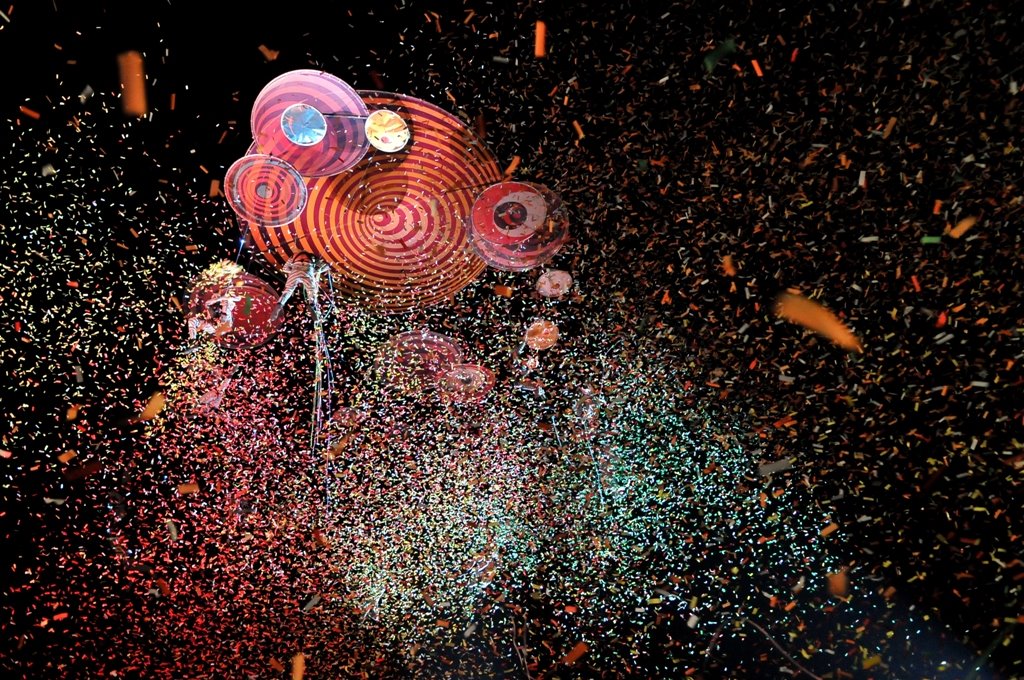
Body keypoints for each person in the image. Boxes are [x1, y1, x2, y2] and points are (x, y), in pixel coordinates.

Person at [270, 252, 331, 321]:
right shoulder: (311, 256)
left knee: (288, 290)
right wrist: (318, 270)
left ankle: (280, 304)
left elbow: (285, 268)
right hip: (308, 269)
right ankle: (312, 305)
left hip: (295, 270)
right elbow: (324, 267)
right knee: (311, 290)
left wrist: (293, 271)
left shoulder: (294, 255)